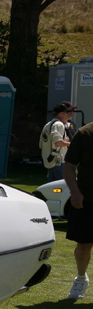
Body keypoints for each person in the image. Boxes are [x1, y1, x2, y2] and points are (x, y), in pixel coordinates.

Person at [62, 119, 93, 299]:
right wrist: (75, 192)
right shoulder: (85, 133)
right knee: (84, 245)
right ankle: (81, 278)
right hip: (87, 199)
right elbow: (69, 166)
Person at [41, 101, 75, 183]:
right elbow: (58, 142)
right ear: (61, 114)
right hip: (58, 161)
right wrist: (71, 144)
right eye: (67, 112)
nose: (69, 114)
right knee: (64, 185)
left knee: (52, 186)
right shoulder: (59, 125)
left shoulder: (48, 124)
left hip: (50, 159)